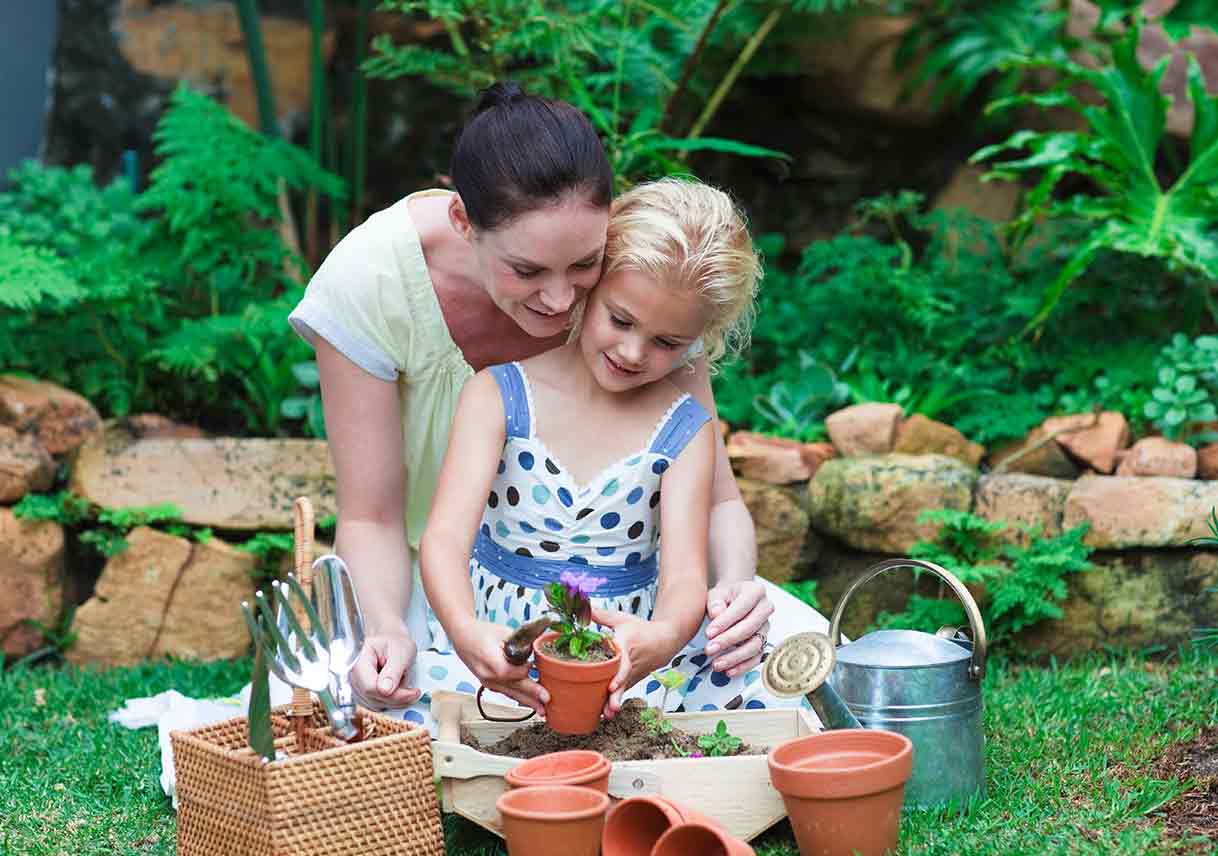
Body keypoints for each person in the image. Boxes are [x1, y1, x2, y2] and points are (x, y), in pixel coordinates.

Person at [288, 81, 807, 717]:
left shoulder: (647, 282)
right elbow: (372, 518)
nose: (560, 301)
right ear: (463, 222)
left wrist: (731, 592)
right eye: (527, 271)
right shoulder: (373, 282)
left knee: (785, 673)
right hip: (438, 590)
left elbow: (717, 501)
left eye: (583, 266)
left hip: (629, 608)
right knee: (376, 695)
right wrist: (387, 629)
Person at [420, 177, 779, 721]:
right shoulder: (499, 394)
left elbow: (684, 576)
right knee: (400, 694)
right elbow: (445, 538)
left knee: (753, 698)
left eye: (667, 343)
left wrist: (660, 637)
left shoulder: (684, 427)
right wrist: (468, 632)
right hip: (502, 651)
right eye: (621, 319)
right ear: (590, 286)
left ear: (698, 340)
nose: (634, 352)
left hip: (623, 664)